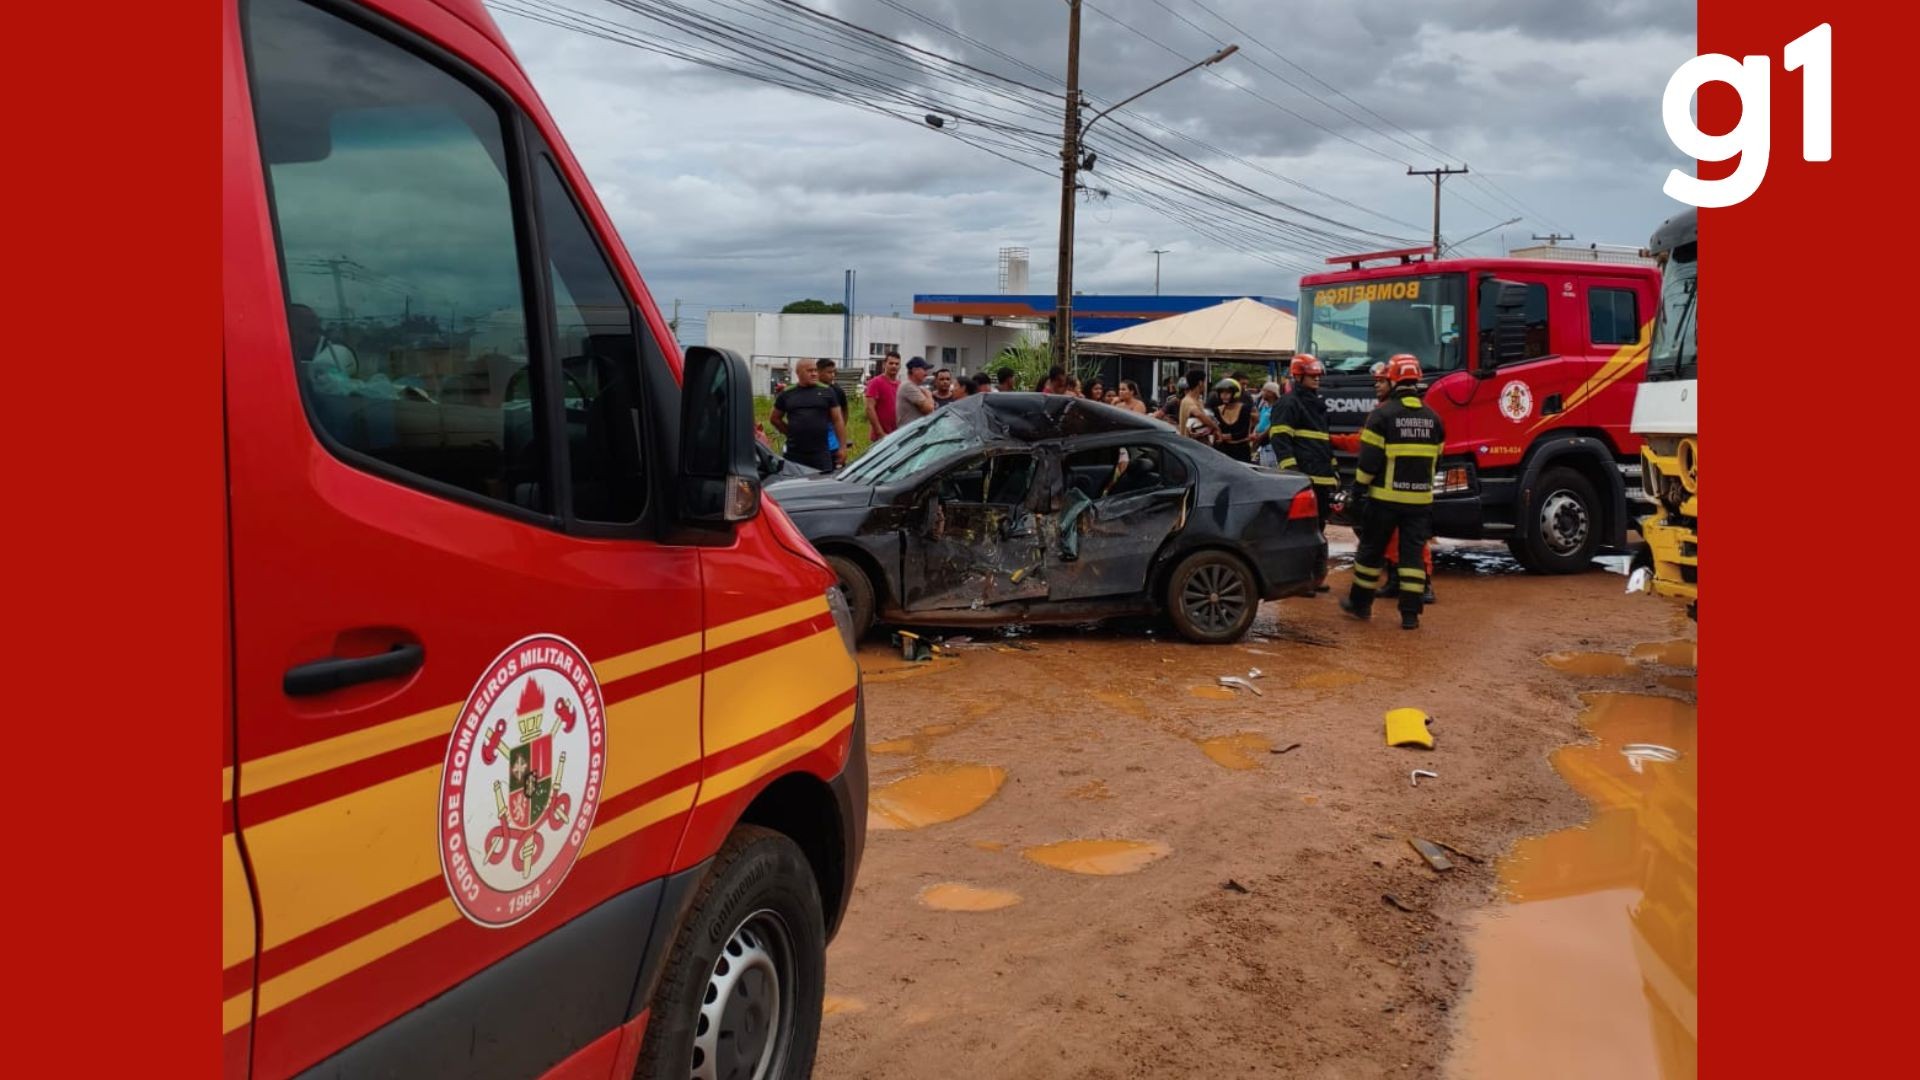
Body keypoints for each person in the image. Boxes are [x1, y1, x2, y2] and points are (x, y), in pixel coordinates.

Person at [1340, 354, 1445, 630]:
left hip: (1384, 501)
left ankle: (1360, 605)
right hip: (1420, 503)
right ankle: (1410, 615)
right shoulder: (1434, 419)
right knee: (1412, 557)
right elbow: (1437, 462)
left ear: (1394, 380)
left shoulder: (1382, 415)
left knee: (1371, 553)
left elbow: (1369, 462)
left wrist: (1358, 490)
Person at [1269, 354, 1338, 591]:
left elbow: (1324, 443)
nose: (1317, 379)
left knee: (1317, 530)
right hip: (1303, 480)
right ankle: (1301, 580)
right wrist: (1293, 473)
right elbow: (1280, 439)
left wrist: (1334, 472)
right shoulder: (1289, 404)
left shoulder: (1317, 405)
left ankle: (1314, 578)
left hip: (1321, 478)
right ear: (1298, 376)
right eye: (1312, 375)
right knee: (1302, 533)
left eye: (1318, 375)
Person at [770, 358, 849, 473]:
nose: (814, 374)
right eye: (809, 371)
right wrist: (790, 432)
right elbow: (774, 418)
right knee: (793, 485)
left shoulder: (827, 392)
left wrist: (842, 448)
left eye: (815, 370)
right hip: (794, 453)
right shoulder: (787, 393)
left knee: (822, 486)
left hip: (821, 453)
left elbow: (838, 420)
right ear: (798, 373)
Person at [1211, 378, 1255, 462]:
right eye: (1221, 392)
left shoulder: (1245, 409)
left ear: (1235, 393)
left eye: (1227, 392)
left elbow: (1243, 432)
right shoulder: (1217, 410)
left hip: (1241, 452)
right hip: (1222, 452)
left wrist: (1225, 436)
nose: (1224, 395)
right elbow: (1216, 432)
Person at [815, 358, 849, 459]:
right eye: (829, 372)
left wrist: (840, 428)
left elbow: (845, 411)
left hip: (832, 439)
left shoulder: (838, 391)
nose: (832, 375)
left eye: (834, 372)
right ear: (819, 372)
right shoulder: (810, 390)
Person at [864, 349, 901, 439]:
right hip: (881, 437)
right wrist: (880, 433)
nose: (894, 366)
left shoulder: (901, 385)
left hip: (897, 435)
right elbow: (869, 408)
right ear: (884, 364)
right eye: (891, 363)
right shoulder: (876, 382)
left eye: (897, 364)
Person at [1177, 369, 1220, 445]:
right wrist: (1216, 427)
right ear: (1200, 383)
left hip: (1199, 444)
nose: (1205, 385)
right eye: (1204, 382)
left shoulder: (1199, 400)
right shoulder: (1188, 400)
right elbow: (1198, 414)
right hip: (1189, 445)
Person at [896, 356, 936, 424]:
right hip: (910, 432)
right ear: (914, 370)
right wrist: (929, 395)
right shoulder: (908, 386)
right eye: (924, 369)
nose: (926, 374)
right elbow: (929, 409)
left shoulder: (915, 387)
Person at [1253, 381, 1283, 466]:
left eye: (1265, 391)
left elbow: (1273, 424)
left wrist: (1261, 436)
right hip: (1261, 443)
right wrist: (1255, 433)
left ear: (1271, 393)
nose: (1262, 393)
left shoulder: (1277, 407)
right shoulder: (1263, 406)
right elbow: (1259, 421)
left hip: (1269, 444)